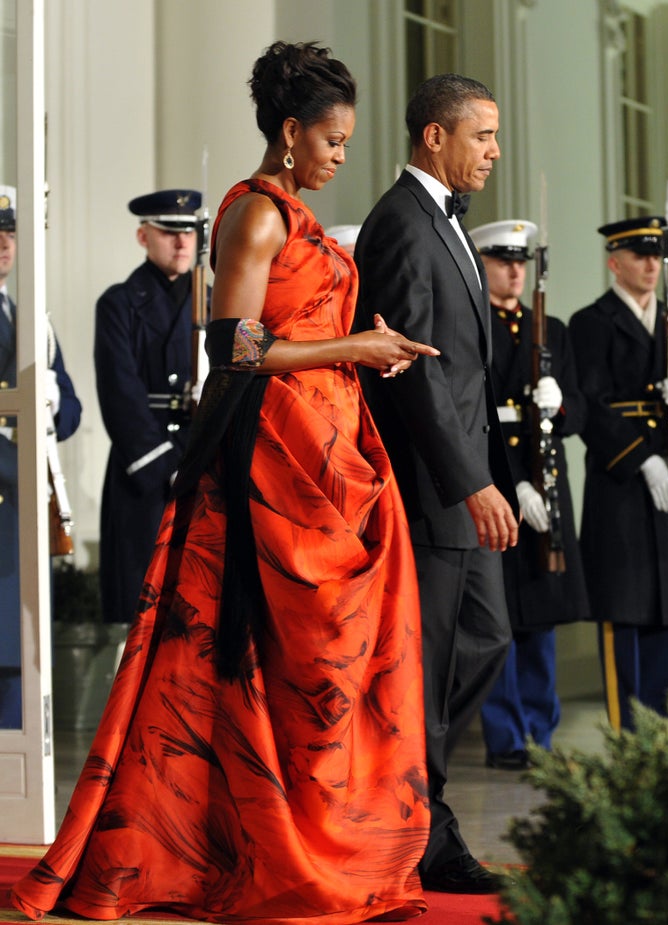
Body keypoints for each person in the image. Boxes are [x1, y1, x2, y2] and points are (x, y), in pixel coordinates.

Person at [13, 41, 437, 924]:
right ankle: (260, 850)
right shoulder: (254, 214)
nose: (339, 155)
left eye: (348, 142)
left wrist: (372, 346)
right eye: (331, 139)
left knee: (327, 664)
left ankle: (334, 841)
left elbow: (299, 316)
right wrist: (353, 346)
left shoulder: (296, 213)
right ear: (290, 132)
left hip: (327, 452)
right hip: (265, 461)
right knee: (269, 663)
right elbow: (234, 348)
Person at [353, 74, 519, 894]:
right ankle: (420, 825)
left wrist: (497, 477)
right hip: (427, 490)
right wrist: (466, 483)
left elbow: (466, 377)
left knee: (485, 640)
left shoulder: (441, 221)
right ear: (435, 138)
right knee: (431, 660)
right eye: (483, 135)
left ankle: (413, 803)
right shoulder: (401, 226)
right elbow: (411, 377)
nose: (494, 150)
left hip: (466, 481)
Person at [568, 216, 668, 731]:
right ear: (615, 261)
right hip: (622, 484)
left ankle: (657, 732)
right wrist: (638, 457)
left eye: (657, 256)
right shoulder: (592, 323)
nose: (652, 265)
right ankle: (627, 736)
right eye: (639, 256)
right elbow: (589, 402)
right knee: (625, 610)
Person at [468, 219, 590, 770]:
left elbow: (580, 412)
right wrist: (511, 480)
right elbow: (478, 417)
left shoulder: (553, 330)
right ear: (484, 265)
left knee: (540, 614)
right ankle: (506, 737)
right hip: (499, 481)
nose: (515, 271)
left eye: (521, 262)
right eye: (502, 260)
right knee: (504, 617)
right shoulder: (474, 328)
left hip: (547, 483)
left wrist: (558, 403)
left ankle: (541, 730)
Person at [94, 188, 209, 625]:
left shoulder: (213, 300)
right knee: (142, 610)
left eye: (188, 233)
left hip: (202, 458)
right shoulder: (119, 304)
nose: (182, 244)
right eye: (168, 233)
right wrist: (166, 467)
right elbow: (119, 394)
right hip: (144, 468)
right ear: (143, 237)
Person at [0, 184, 81, 729]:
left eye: (11, 234)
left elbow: (69, 406)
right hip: (8, 485)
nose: (5, 245)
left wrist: (50, 406)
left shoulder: (31, 316)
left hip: (26, 495)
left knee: (21, 653)